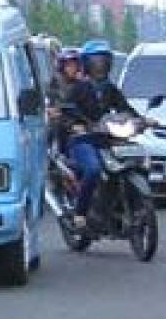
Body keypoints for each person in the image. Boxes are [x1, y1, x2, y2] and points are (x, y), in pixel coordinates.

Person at [63, 40, 150, 229]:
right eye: (95, 62)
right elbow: (66, 111)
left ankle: (129, 206)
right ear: (86, 64)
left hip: (106, 139)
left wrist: (142, 120)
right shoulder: (78, 88)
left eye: (103, 61)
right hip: (83, 140)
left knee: (136, 161)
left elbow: (124, 108)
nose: (99, 66)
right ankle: (80, 213)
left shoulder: (110, 89)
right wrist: (75, 125)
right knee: (93, 170)